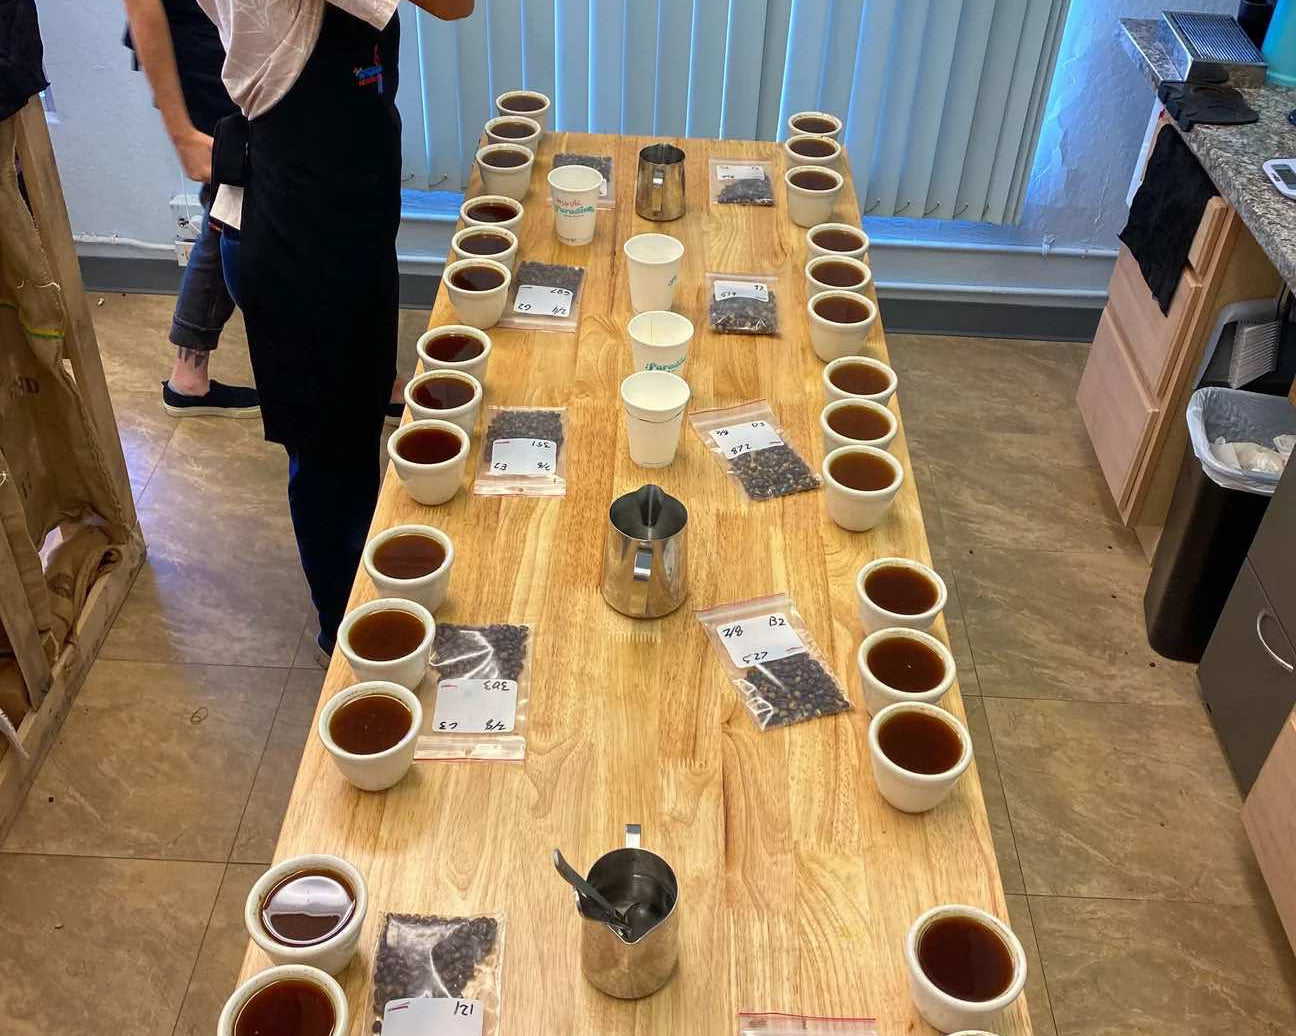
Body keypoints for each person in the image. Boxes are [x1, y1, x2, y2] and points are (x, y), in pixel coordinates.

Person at [196, 0, 473, 660]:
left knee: (353, 428)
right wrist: (180, 130)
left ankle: (366, 605)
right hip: (296, 229)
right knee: (330, 457)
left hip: (348, 214)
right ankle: (351, 637)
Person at [123, 0, 261, 417]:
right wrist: (182, 133)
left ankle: (188, 373)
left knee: (233, 201)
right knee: (236, 199)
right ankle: (188, 374)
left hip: (223, 40)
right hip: (204, 50)